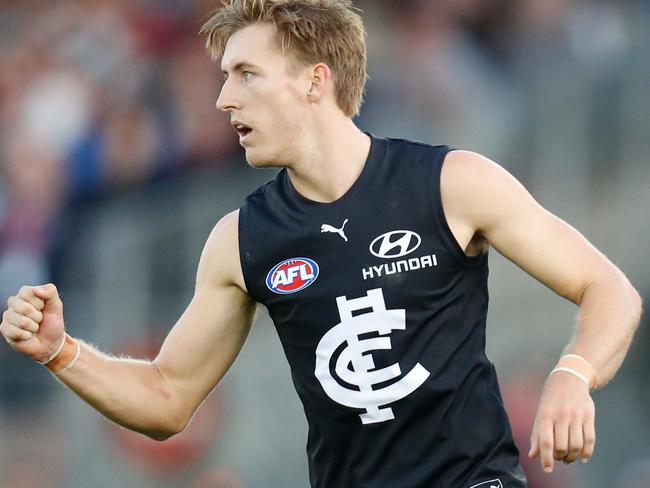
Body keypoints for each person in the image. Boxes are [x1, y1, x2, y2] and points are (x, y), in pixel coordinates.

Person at [1, 1, 642, 487]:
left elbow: (609, 289)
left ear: (315, 81)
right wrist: (61, 351)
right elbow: (167, 399)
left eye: (247, 74)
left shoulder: (453, 182)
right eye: (224, 78)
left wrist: (573, 373)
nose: (224, 99)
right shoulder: (242, 239)